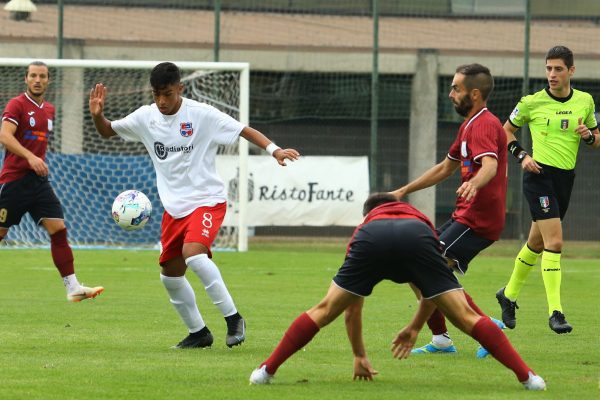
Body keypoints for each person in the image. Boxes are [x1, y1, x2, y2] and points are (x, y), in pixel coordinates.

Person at [89, 61, 300, 349]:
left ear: (180, 89)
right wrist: (98, 116)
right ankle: (199, 333)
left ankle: (234, 318)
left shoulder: (201, 114)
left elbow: (243, 130)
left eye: (168, 94)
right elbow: (108, 131)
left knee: (194, 255)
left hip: (207, 201)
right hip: (174, 209)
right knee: (170, 277)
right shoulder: (145, 117)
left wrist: (274, 150)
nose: (162, 101)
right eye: (157, 95)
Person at [248, 193, 545, 390]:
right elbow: (431, 295)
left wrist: (359, 355)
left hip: (372, 240)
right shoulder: (419, 219)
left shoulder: (365, 225)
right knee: (466, 317)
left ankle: (265, 371)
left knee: (324, 310)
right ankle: (528, 377)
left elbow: (351, 309)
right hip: (417, 236)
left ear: (368, 213)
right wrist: (414, 328)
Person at [390, 63, 507, 355]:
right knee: (415, 263)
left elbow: (490, 165)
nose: (450, 93)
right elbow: (445, 167)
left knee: (430, 268)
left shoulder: (484, 124)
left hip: (478, 219)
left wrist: (476, 183)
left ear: (475, 94)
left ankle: (485, 329)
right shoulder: (468, 124)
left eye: (456, 88)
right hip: (466, 215)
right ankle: (442, 338)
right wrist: (404, 191)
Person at [495, 45, 599, 334]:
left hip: (565, 179)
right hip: (538, 176)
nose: (551, 74)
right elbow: (504, 131)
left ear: (571, 71)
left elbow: (597, 138)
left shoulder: (585, 101)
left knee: (537, 243)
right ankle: (556, 312)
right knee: (555, 243)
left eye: (558, 69)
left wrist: (589, 135)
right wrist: (522, 156)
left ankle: (508, 294)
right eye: (548, 68)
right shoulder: (531, 102)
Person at [0, 61, 104, 302]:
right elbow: (4, 135)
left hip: (38, 183)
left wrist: (36, 162)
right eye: (33, 76)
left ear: (48, 80)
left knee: (58, 229)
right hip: (14, 181)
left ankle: (73, 287)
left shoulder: (49, 110)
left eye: (42, 76)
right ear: (26, 79)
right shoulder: (17, 104)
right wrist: (30, 156)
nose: (38, 80)